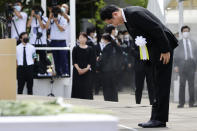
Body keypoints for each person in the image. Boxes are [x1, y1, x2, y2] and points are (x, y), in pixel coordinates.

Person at [100, 5, 178, 128]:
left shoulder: (134, 13)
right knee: (155, 83)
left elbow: (156, 28)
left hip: (162, 48)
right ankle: (155, 117)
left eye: (111, 22)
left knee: (161, 83)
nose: (114, 25)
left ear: (115, 14)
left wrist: (165, 50)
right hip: (155, 50)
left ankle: (160, 119)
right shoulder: (128, 17)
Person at [174, 25, 197, 108]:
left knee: (192, 85)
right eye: (184, 31)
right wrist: (175, 65)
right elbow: (175, 55)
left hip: (191, 65)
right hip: (182, 65)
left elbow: (196, 54)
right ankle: (181, 103)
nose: (186, 33)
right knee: (182, 84)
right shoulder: (178, 43)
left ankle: (192, 103)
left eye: (187, 31)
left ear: (189, 32)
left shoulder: (193, 42)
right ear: (182, 32)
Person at [46, 6, 69, 77]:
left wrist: (56, 23)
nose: (55, 14)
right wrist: (50, 18)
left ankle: (65, 72)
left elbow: (62, 29)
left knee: (63, 58)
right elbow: (46, 28)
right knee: (55, 59)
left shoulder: (63, 19)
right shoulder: (51, 19)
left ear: (59, 13)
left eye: (56, 13)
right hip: (53, 41)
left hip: (61, 42)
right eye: (53, 13)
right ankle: (58, 72)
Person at [98, 33, 120, 102]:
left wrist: (98, 59)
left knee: (107, 87)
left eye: (103, 39)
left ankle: (108, 100)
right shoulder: (113, 46)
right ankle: (114, 100)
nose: (102, 40)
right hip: (113, 70)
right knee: (113, 87)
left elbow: (103, 59)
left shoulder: (107, 48)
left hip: (106, 71)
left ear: (106, 40)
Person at [27, 5, 48, 74]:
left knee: (43, 58)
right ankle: (34, 72)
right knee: (33, 58)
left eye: (37, 11)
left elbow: (43, 27)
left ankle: (43, 72)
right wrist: (32, 16)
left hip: (42, 42)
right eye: (35, 11)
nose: (36, 12)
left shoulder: (45, 18)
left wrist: (39, 18)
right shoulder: (32, 19)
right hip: (33, 42)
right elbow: (28, 26)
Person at [71, 32, 94, 99]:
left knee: (87, 87)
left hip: (87, 71)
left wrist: (86, 69)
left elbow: (91, 61)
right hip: (77, 71)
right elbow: (74, 61)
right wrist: (79, 69)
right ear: (78, 39)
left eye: (84, 37)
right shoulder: (75, 48)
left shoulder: (90, 48)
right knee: (77, 87)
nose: (82, 39)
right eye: (80, 37)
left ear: (86, 39)